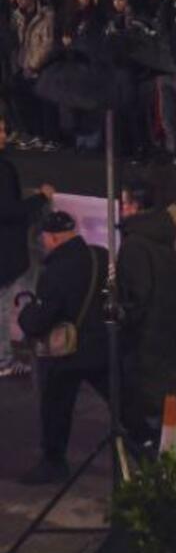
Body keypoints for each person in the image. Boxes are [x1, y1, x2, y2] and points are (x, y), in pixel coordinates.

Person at [14, 210, 110, 483]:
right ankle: (146, 442)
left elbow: (42, 318)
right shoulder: (98, 256)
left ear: (54, 238)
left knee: (55, 406)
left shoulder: (56, 270)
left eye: (44, 238)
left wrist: (24, 314)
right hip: (100, 345)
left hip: (67, 353)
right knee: (119, 399)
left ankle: (53, 463)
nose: (43, 243)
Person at [114, 173, 176, 447]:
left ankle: (158, 461)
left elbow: (136, 299)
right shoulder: (161, 237)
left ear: (132, 206)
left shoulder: (135, 245)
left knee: (146, 411)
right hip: (168, 336)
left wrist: (121, 317)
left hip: (146, 345)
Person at [0, 116, 53, 379]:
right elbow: (8, 211)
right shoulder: (4, 168)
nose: (3, 134)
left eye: (3, 128)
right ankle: (3, 360)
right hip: (4, 253)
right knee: (2, 307)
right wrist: (40, 199)